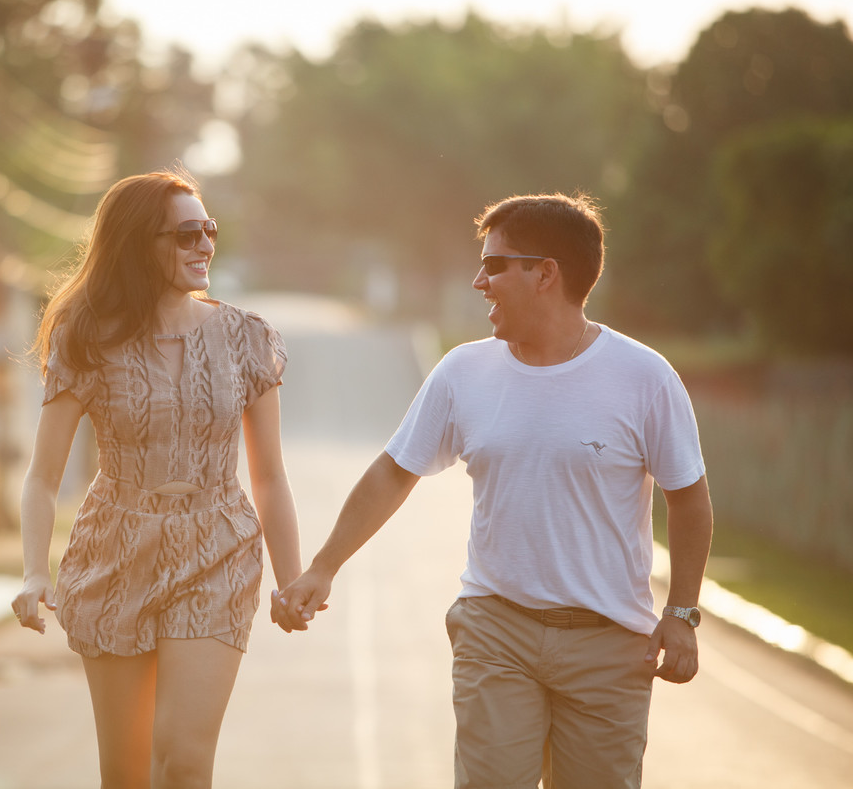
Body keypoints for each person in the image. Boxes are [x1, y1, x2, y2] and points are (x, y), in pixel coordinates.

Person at [277, 193, 713, 788]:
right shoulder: (463, 372)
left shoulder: (644, 378)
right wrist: (322, 567)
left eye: (495, 265)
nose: (479, 281)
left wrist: (682, 613)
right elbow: (392, 472)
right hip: (496, 629)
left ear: (545, 274)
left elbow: (687, 495)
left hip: (609, 645)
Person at [11, 167, 304, 789]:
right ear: (138, 244)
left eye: (210, 230)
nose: (204, 246)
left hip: (216, 547)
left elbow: (271, 477)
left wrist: (291, 578)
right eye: (186, 234)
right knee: (126, 772)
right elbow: (42, 477)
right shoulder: (86, 338)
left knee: (184, 761)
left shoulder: (246, 338)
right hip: (113, 548)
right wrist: (36, 569)